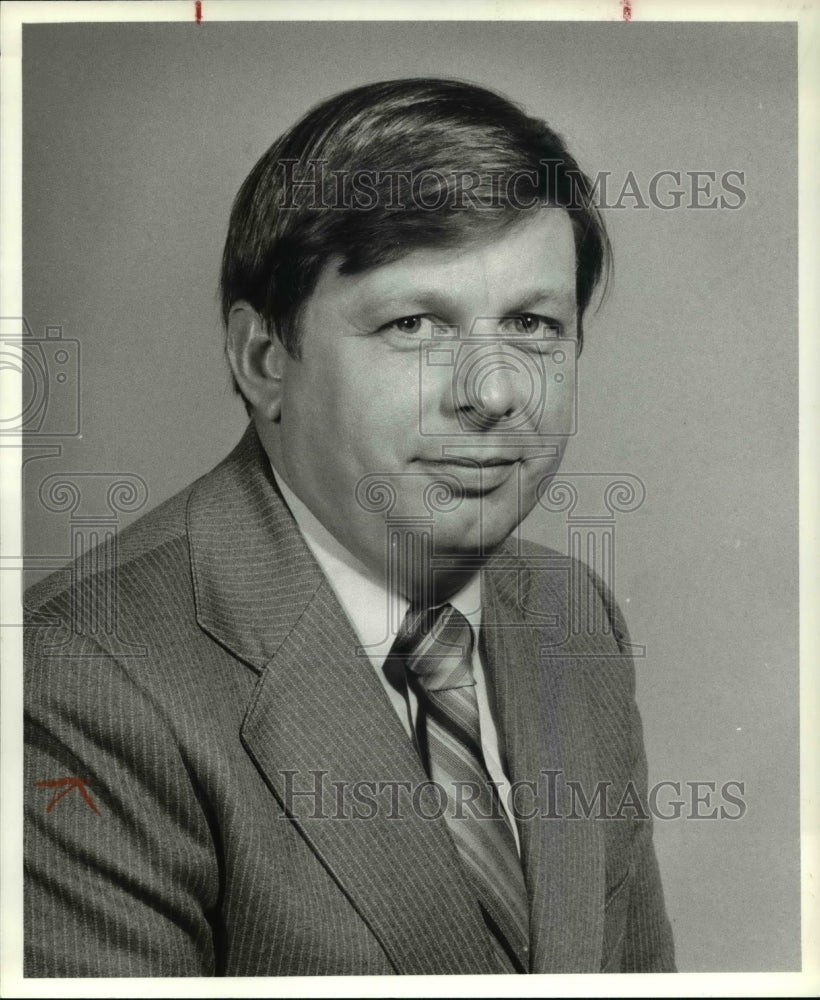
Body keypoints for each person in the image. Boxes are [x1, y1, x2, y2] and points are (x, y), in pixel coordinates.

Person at [24, 78, 676, 976]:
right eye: (414, 325)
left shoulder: (572, 613)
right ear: (263, 360)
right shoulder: (73, 682)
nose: (491, 393)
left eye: (532, 325)